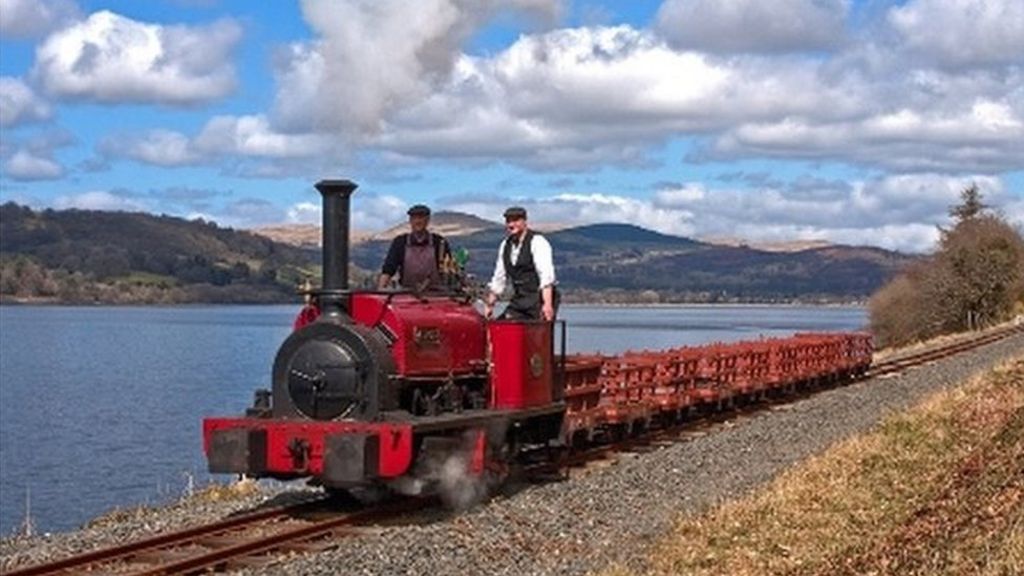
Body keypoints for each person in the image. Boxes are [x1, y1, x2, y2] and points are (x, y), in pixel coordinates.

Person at [484, 206, 557, 321]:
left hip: (538, 300)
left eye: (515, 220)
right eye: (508, 221)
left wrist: (547, 305)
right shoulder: (505, 245)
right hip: (520, 300)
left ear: (524, 221)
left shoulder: (537, 242)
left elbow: (546, 275)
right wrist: (490, 305)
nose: (511, 225)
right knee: (501, 327)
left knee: (536, 335)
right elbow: (499, 277)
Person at [378, 204, 451, 291]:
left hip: (435, 295)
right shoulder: (400, 242)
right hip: (406, 295)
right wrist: (380, 289)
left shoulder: (439, 242)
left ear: (427, 220)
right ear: (410, 221)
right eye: (414, 218)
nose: (417, 221)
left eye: (421, 217)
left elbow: (449, 269)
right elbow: (388, 269)